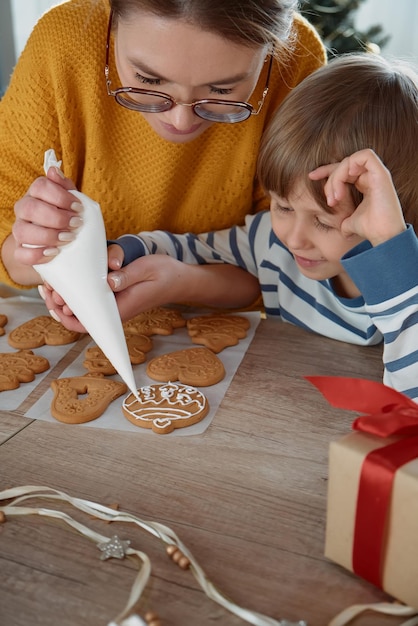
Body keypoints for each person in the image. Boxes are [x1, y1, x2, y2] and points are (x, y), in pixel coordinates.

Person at [46, 53, 418, 400]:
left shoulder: (405, 285)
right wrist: (119, 257)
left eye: (323, 221)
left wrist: (390, 248)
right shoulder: (269, 242)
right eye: (283, 205)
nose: (293, 237)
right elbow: (192, 249)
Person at [0, 0, 326, 290]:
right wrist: (37, 249)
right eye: (149, 80)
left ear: (271, 51)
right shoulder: (62, 42)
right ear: (112, 18)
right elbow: (6, 246)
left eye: (223, 90)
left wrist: (180, 283)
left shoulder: (297, 61)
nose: (181, 122)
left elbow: (283, 265)